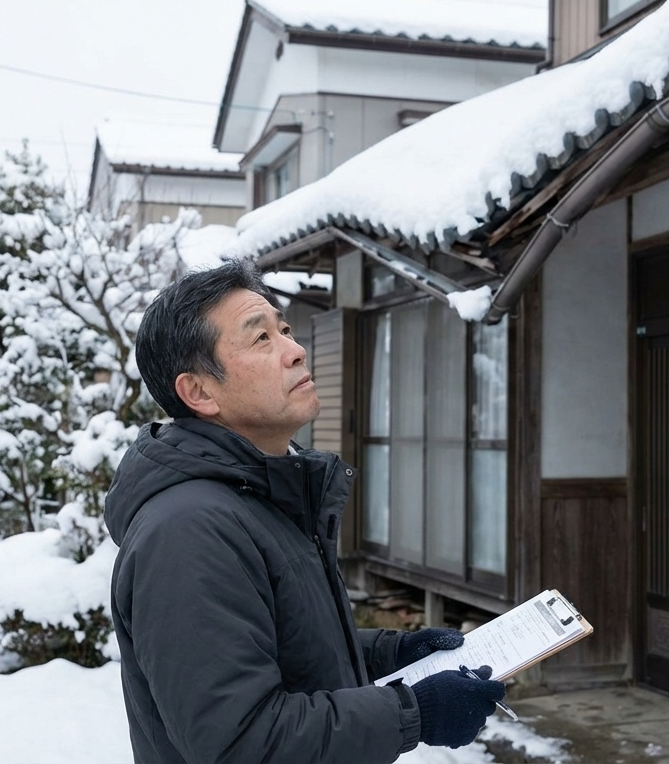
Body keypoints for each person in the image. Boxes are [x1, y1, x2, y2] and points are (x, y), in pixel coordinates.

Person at [105, 259, 507, 763]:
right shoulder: (188, 531)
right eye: (261, 339)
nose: (296, 351)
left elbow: (278, 649)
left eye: (286, 330)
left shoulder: (259, 495)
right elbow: (240, 742)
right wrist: (413, 712)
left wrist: (390, 654)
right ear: (200, 392)